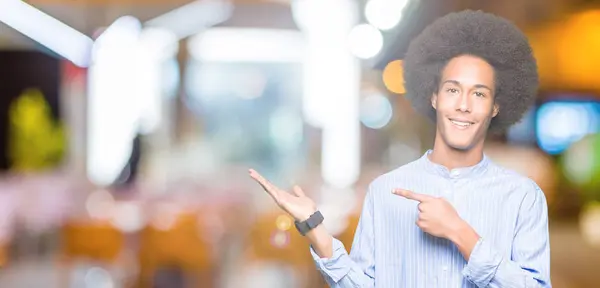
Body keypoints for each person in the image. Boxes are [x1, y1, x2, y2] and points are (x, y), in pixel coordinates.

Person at [249, 9, 550, 288]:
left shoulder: (523, 197)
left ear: (495, 106)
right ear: (434, 97)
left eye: (479, 94)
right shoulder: (385, 191)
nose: (463, 105)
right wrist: (314, 226)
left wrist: (461, 233)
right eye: (453, 90)